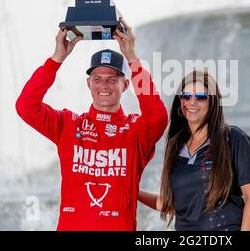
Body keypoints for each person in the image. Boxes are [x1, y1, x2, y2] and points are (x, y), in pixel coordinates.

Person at [15, 18, 168, 231]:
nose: (103, 85)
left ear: (125, 85)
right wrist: (56, 59)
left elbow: (157, 117)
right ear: (88, 84)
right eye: (97, 79)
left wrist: (132, 58)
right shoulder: (67, 124)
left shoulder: (135, 130)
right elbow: (26, 106)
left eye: (111, 79)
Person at [138, 71, 250, 231]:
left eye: (201, 97)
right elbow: (175, 206)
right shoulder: (175, 145)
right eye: (186, 96)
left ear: (213, 102)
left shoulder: (234, 138)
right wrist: (135, 193)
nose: (192, 102)